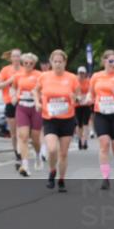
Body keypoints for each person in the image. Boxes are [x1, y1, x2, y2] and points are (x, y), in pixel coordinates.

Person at [34, 50, 80, 192]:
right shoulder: (44, 77)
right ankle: (52, 170)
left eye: (60, 62)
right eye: (55, 61)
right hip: (50, 119)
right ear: (51, 62)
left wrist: (75, 98)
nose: (58, 64)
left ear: (65, 63)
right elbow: (35, 91)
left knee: (63, 153)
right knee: (52, 149)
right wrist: (37, 102)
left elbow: (78, 96)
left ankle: (61, 180)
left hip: (67, 119)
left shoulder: (72, 78)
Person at [86, 49, 114, 190]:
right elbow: (90, 93)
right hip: (101, 114)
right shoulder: (96, 76)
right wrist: (88, 99)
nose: (113, 64)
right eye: (111, 61)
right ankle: (105, 178)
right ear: (104, 61)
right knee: (104, 144)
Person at [13, 53, 43, 176]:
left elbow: (44, 89)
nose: (28, 65)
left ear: (34, 64)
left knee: (35, 137)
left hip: (36, 107)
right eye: (26, 63)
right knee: (23, 136)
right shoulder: (18, 76)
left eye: (31, 63)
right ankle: (25, 165)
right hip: (22, 106)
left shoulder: (39, 75)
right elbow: (14, 88)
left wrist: (39, 98)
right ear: (22, 64)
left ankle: (38, 155)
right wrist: (14, 96)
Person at [0, 49, 23, 172]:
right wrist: (10, 80)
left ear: (21, 58)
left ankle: (21, 152)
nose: (16, 58)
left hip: (23, 102)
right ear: (11, 58)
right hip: (10, 103)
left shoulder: (25, 70)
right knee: (13, 134)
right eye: (14, 56)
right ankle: (17, 153)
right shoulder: (5, 70)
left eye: (18, 56)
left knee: (21, 131)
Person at [75, 66, 93, 150]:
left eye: (82, 73)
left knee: (86, 123)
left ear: (85, 74)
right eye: (80, 73)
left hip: (86, 105)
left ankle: (85, 140)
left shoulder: (88, 81)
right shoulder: (75, 81)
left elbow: (90, 91)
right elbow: (73, 92)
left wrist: (86, 97)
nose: (81, 75)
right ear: (77, 73)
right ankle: (80, 139)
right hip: (77, 105)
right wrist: (78, 97)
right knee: (79, 124)